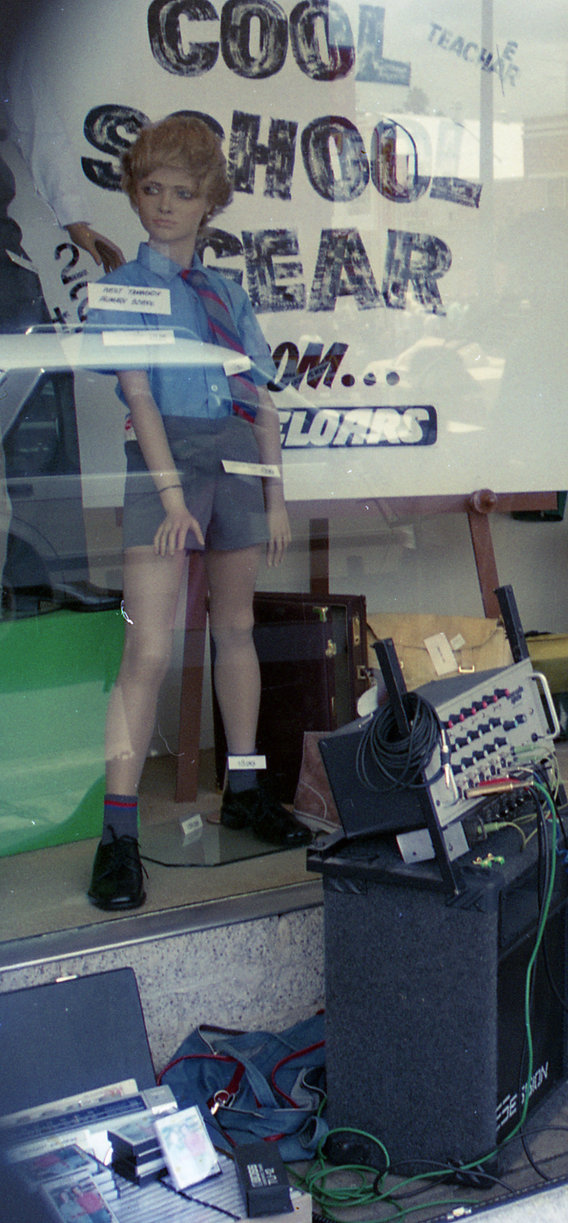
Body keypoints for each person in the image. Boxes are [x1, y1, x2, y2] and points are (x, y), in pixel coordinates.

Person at [83, 115, 308, 912]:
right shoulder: (121, 289)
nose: (166, 206)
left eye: (183, 192)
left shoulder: (225, 292)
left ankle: (245, 788)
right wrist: (174, 495)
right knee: (148, 647)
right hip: (163, 461)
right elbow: (138, 393)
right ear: (133, 192)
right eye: (152, 189)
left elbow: (262, 400)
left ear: (210, 201)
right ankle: (117, 835)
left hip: (234, 457)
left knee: (236, 627)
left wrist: (276, 494)